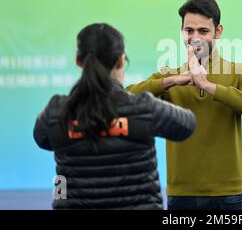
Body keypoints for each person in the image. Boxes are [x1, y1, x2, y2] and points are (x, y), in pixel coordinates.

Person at [34, 23, 196, 210]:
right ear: (121, 61)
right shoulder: (143, 108)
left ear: (78, 61)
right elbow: (187, 125)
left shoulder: (55, 111)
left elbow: (43, 139)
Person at [127, 0, 242, 210]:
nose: (195, 38)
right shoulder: (169, 76)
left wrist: (209, 86)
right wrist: (174, 80)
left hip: (228, 193)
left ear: (218, 32)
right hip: (181, 192)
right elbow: (127, 99)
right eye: (189, 30)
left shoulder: (241, 71)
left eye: (203, 31)